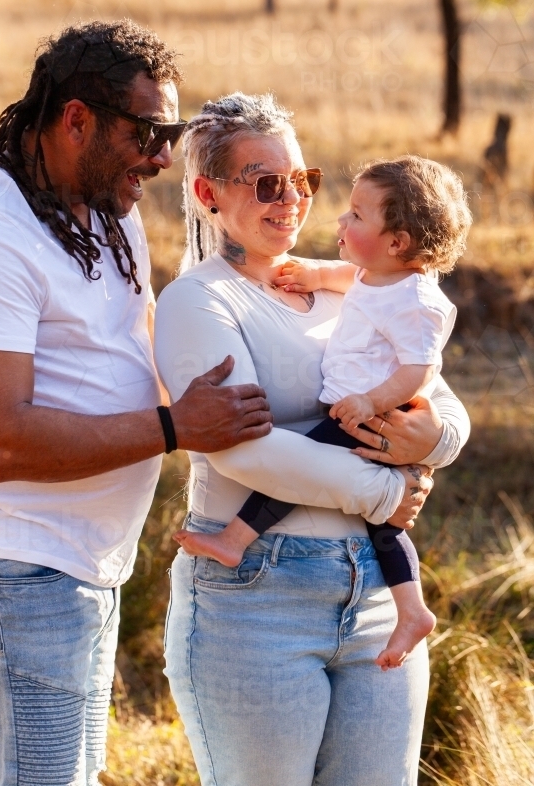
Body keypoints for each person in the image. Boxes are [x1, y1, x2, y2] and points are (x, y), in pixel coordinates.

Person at [0, 23, 273, 786]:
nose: (163, 154)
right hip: (7, 565)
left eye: (169, 131)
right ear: (76, 120)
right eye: (147, 131)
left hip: (73, 564)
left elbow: (135, 352)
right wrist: (176, 428)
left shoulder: (108, 209)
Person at [153, 92, 470, 786]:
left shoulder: (351, 286)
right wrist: (390, 488)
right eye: (265, 183)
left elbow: (437, 402)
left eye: (301, 181)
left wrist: (435, 444)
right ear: (208, 192)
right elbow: (243, 447)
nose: (290, 200)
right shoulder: (198, 301)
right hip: (256, 596)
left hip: (376, 589)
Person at [174, 154, 472, 671]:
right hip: (357, 416)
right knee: (381, 525)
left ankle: (234, 540)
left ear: (397, 242)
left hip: (370, 418)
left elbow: (422, 372)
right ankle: (413, 608)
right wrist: (313, 274)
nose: (339, 220)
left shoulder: (417, 301)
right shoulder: (377, 275)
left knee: (304, 467)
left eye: (356, 216)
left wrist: (378, 406)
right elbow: (347, 277)